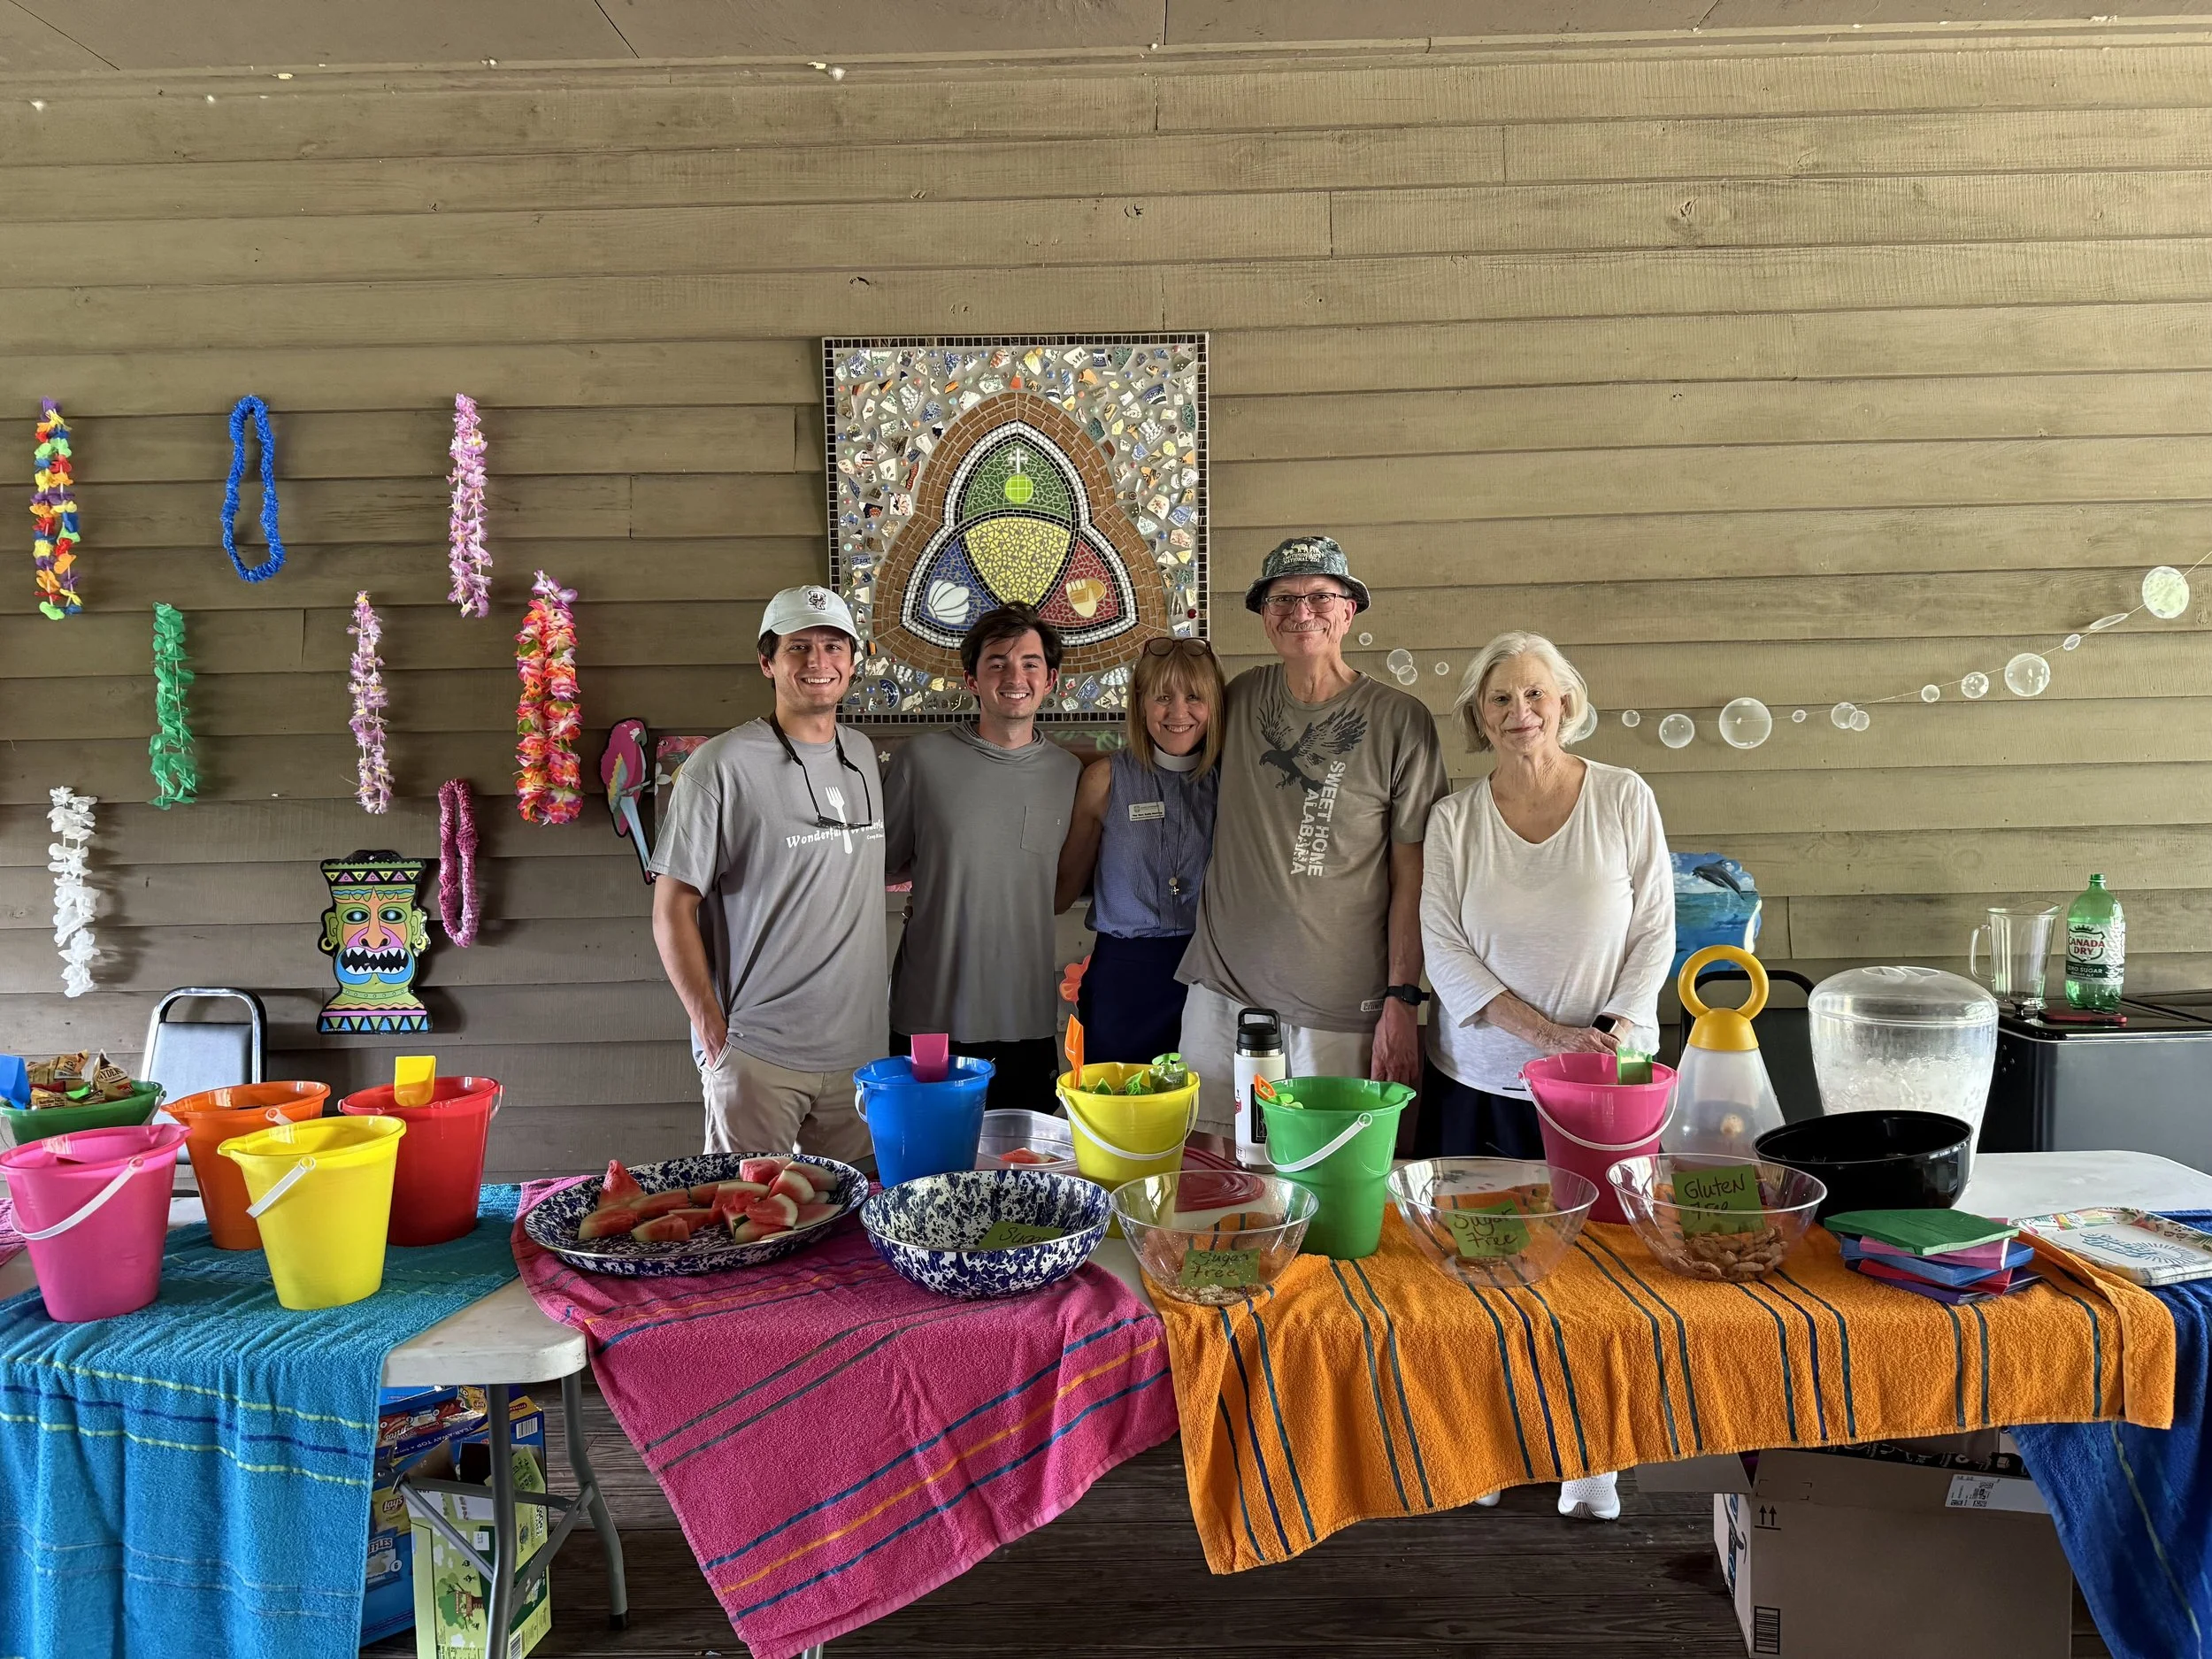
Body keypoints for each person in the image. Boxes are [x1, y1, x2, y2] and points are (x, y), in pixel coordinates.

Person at [1419, 629, 1672, 1525]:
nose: (1520, 713)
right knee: (1485, 1270)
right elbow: (1442, 951)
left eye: (1535, 695)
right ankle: (1487, 1446)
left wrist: (1602, 1036)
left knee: (1595, 1275)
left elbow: (1653, 932)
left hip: (1602, 1089)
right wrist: (1541, 1032)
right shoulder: (1454, 820)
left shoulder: (1622, 797)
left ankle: (1590, 1454)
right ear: (1478, 720)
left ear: (1565, 702)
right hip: (1480, 1082)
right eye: (1500, 701)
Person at [1178, 535, 1449, 1138]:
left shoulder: (1401, 720)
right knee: (1213, 1165)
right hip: (1223, 988)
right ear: (1265, 618)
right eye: (1283, 598)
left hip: (1339, 1004)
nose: (1302, 612)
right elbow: (1162, 749)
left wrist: (1403, 997)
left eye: (1321, 596)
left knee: (1324, 1168)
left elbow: (1416, 873)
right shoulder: (1239, 698)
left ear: (1349, 609)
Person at [649, 584, 885, 1165]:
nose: (817, 662)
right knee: (751, 1230)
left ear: (853, 662)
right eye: (798, 647)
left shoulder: (863, 759)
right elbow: (672, 908)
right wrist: (711, 1029)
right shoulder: (719, 767)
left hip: (860, 1058)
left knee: (849, 1238)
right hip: (760, 1054)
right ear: (767, 662)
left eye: (833, 646)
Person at [887, 603, 1082, 1113]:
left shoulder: (1069, 774)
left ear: (1051, 679)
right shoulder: (920, 761)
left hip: (1027, 1019)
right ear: (972, 679)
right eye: (997, 662)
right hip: (931, 1020)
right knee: (927, 1172)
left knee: (1021, 1175)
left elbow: (1060, 887)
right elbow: (883, 867)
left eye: (1030, 663)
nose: (1014, 676)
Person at [1055, 636, 1225, 1062]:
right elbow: (1062, 890)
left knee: (1205, 1115)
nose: (1178, 712)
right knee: (1121, 1112)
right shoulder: (1105, 780)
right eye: (1162, 697)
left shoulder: (1231, 783)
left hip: (1210, 969)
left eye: (1194, 697)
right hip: (1126, 975)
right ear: (1140, 704)